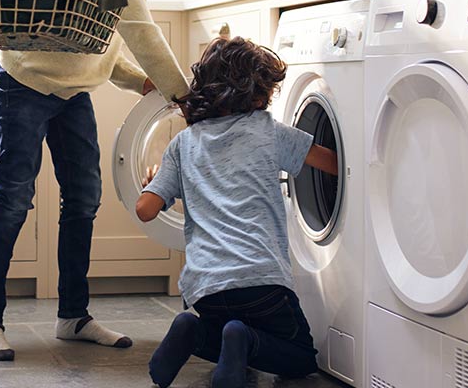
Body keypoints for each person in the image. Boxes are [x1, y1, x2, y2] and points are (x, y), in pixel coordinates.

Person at [0, 0, 219, 361]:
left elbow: (99, 38)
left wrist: (137, 82)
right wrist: (184, 97)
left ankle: (73, 316)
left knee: (83, 197)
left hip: (73, 90)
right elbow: (141, 32)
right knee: (13, 197)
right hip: (26, 79)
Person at [137, 36, 340, 388]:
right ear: (259, 96)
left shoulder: (183, 143)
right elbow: (334, 164)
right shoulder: (268, 131)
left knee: (225, 325)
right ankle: (243, 339)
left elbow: (145, 209)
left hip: (205, 288)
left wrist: (153, 183)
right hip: (262, 280)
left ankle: (193, 330)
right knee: (299, 357)